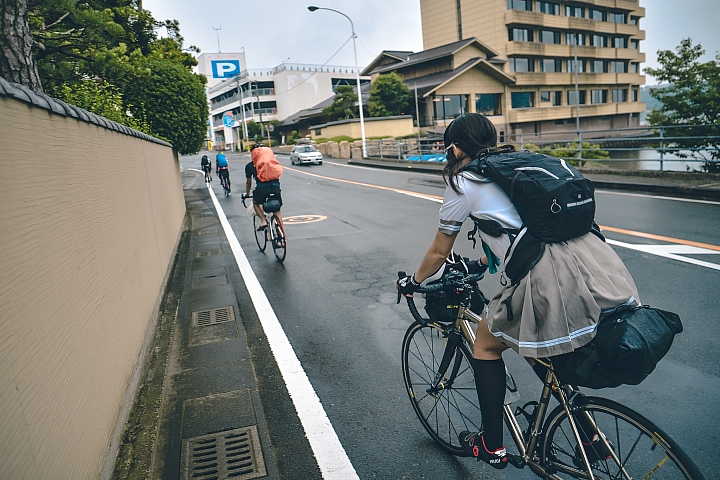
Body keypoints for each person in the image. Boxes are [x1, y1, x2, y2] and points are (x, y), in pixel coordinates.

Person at [396, 113, 639, 470]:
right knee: (537, 348)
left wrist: (414, 282)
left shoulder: (465, 179)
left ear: (456, 147)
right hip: (594, 263)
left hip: (545, 276)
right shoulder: (515, 166)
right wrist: (484, 261)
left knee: (485, 343)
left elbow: (438, 252)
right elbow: (521, 226)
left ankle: (491, 445)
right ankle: (592, 438)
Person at [245, 143, 283, 233]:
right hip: (275, 188)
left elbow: (248, 182)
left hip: (262, 190)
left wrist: (247, 194)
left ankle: (263, 220)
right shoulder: (271, 163)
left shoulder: (250, 166)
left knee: (256, 202)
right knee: (277, 211)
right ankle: (279, 238)